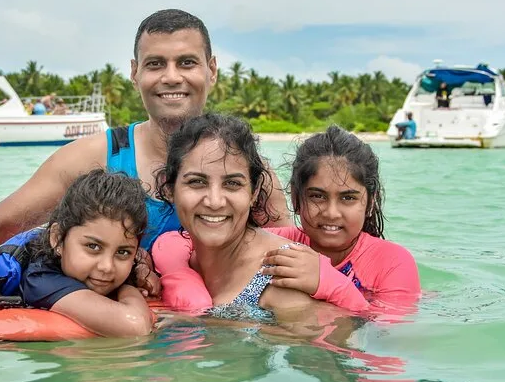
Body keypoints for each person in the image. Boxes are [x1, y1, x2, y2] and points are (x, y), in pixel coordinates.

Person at [0, 8, 292, 311]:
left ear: (211, 70)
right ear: (134, 73)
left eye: (187, 63)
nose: (171, 77)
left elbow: (293, 256)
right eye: (155, 64)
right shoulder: (93, 158)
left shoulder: (247, 175)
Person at [155, 124, 420, 314]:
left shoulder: (392, 261)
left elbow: (387, 338)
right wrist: (181, 277)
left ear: (370, 202)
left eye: (348, 198)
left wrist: (333, 285)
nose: (331, 212)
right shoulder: (285, 245)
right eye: (317, 196)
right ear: (295, 198)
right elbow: (180, 242)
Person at [153, 113, 328, 322]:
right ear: (169, 189)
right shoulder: (172, 266)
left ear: (254, 193)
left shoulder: (282, 278)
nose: (215, 201)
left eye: (232, 184)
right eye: (197, 182)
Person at [16, 169, 153, 337]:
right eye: (93, 247)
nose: (107, 267)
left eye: (123, 252)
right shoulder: (40, 280)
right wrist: (128, 289)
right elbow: (136, 325)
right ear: (57, 238)